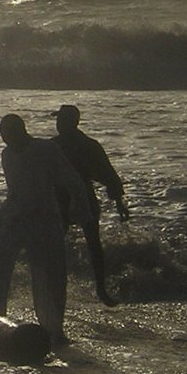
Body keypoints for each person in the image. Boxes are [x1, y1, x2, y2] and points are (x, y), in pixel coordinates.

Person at [0, 113, 93, 344]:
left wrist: (81, 209)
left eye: (8, 133)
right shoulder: (7, 156)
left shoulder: (45, 150)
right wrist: (0, 217)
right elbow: (14, 193)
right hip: (15, 219)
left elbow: (72, 179)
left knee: (49, 276)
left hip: (44, 220)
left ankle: (54, 330)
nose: (5, 139)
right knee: (0, 268)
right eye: (2, 134)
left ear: (21, 130)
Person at [53, 104, 130, 306]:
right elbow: (108, 175)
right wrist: (119, 202)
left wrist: (119, 203)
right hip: (67, 198)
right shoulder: (84, 144)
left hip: (73, 198)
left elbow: (106, 173)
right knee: (86, 244)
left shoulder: (63, 146)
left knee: (89, 244)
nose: (58, 124)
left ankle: (100, 289)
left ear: (72, 122)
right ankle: (98, 290)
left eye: (61, 120)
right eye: (57, 120)